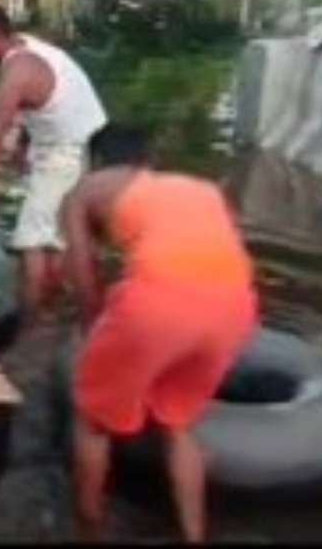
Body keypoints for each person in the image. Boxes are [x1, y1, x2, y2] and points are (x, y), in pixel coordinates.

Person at [60, 124, 259, 543]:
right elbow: (217, 247)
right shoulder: (198, 188)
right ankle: (194, 534)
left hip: (159, 304)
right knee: (179, 424)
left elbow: (82, 270)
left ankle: (88, 527)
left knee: (94, 420)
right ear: (149, 161)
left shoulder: (88, 189)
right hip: (234, 307)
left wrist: (90, 327)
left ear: (95, 161)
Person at [0, 1, 107, 327]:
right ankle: (52, 308)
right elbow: (47, 98)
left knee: (30, 240)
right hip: (84, 141)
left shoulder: (15, 73)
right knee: (54, 234)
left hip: (65, 151)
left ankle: (30, 322)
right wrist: (26, 143)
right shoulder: (27, 46)